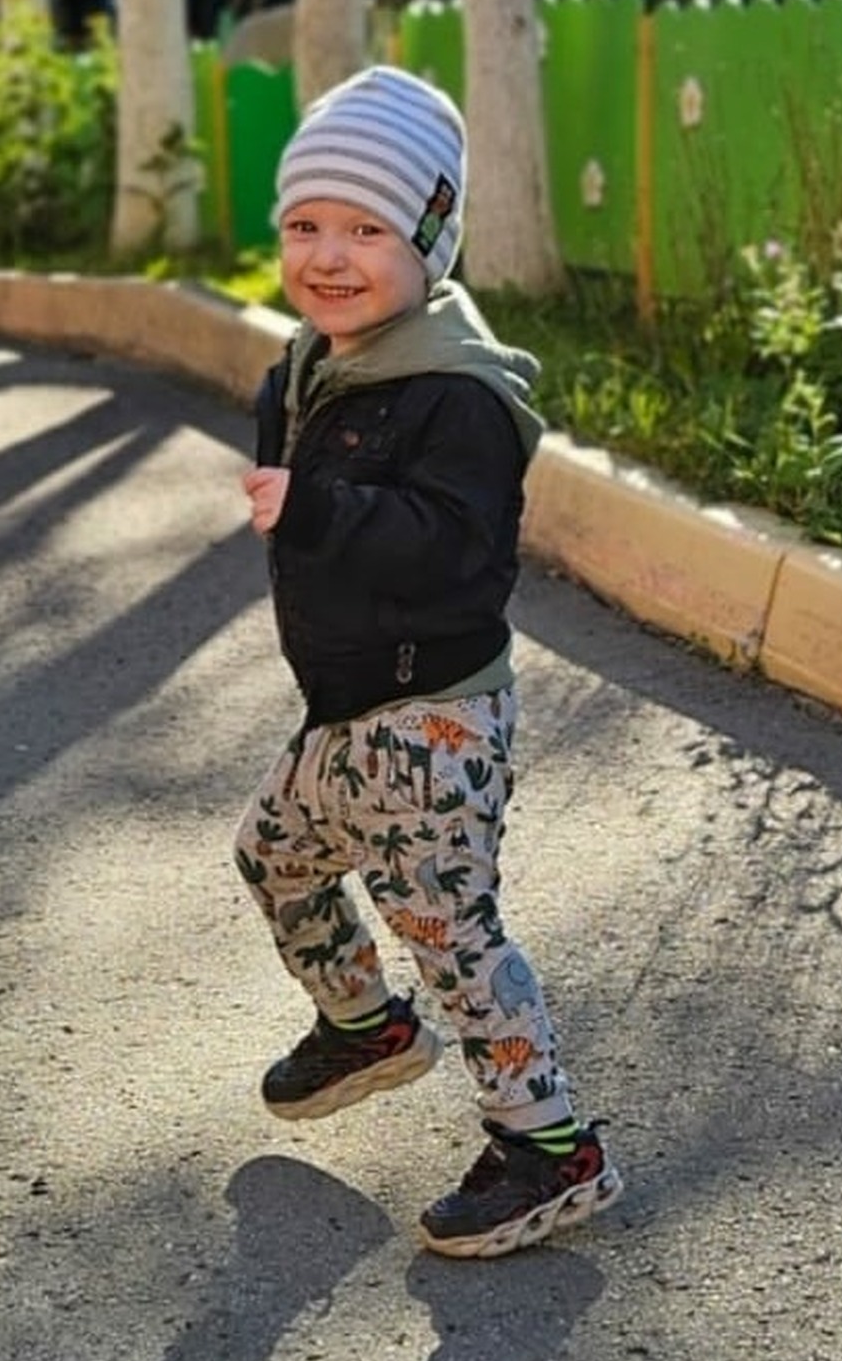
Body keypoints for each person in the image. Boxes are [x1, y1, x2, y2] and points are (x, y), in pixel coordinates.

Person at [234, 64, 623, 1259]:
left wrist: (318, 510)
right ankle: (365, 1025)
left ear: (431, 240)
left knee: (448, 927)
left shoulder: (457, 394)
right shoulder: (312, 362)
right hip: (347, 709)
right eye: (305, 225)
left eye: (367, 230)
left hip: (434, 718)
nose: (327, 256)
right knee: (274, 852)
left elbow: (456, 548)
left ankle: (549, 1146)